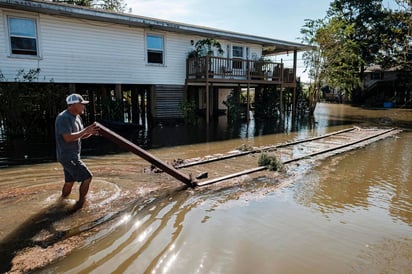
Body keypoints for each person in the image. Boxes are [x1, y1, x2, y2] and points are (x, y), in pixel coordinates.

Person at [55, 93, 99, 208]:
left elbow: (79, 135)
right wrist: (85, 130)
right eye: (82, 104)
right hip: (68, 156)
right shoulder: (63, 118)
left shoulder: (77, 117)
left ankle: (61, 201)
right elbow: (67, 137)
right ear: (73, 104)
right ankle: (80, 203)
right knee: (87, 177)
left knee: (69, 182)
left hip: (72, 156)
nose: (83, 106)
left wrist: (89, 132)